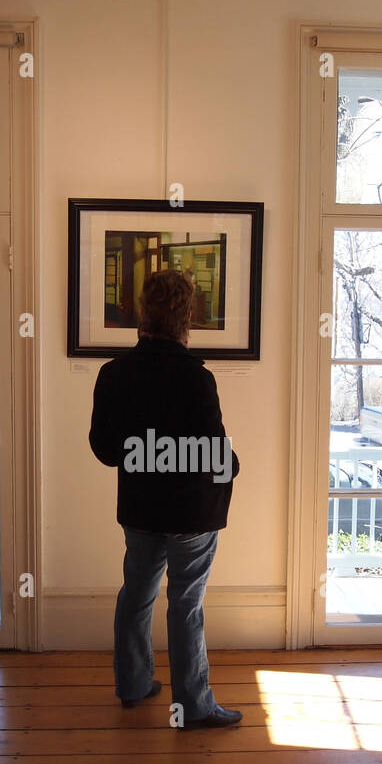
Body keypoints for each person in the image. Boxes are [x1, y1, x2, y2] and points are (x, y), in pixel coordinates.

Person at [89, 270, 243, 729]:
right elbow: (216, 454)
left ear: (143, 314)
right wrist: (231, 464)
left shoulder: (113, 374)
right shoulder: (197, 380)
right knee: (185, 603)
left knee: (136, 593)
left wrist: (144, 450)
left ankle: (133, 684)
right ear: (185, 318)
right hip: (191, 514)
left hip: (140, 509)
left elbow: (104, 449)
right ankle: (193, 707)